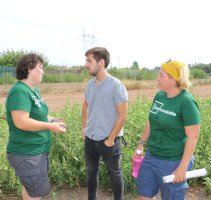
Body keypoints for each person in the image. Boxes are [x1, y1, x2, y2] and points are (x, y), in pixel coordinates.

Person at [135, 60, 201, 199]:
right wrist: (141, 143)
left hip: (173, 161)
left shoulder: (186, 102)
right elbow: (151, 120)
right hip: (152, 156)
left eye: (161, 75)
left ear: (173, 79)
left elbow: (193, 137)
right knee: (144, 195)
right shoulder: (159, 96)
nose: (157, 78)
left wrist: (182, 167)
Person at [5, 53, 66, 200]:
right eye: (41, 67)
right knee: (37, 193)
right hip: (26, 153)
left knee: (31, 190)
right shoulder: (20, 91)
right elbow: (21, 122)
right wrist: (50, 127)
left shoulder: (34, 90)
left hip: (35, 151)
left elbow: (38, 116)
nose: (43, 71)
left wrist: (53, 120)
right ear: (29, 69)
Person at [82, 47, 128, 200]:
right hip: (91, 138)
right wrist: (84, 128)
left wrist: (111, 139)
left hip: (108, 140)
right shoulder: (90, 85)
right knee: (91, 172)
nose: (85, 64)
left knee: (115, 173)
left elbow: (122, 115)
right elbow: (85, 106)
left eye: (89, 61)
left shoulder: (116, 85)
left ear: (101, 62)